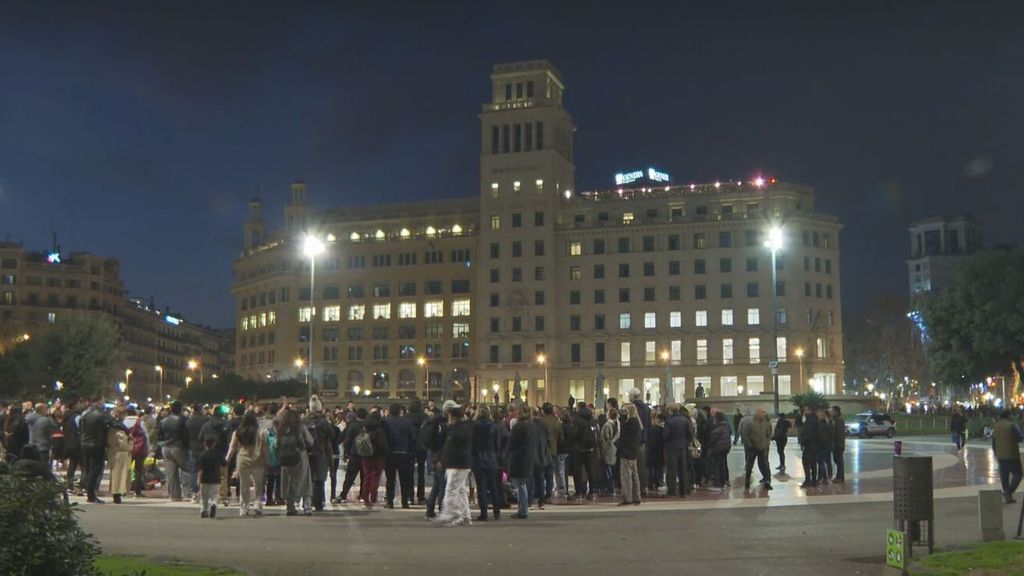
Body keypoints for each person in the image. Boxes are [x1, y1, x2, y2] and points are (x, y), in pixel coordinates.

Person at [79, 397, 124, 503]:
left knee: (88, 469)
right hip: (97, 444)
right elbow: (114, 423)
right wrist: (126, 430)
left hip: (84, 443)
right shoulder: (101, 414)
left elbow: (80, 429)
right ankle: (91, 495)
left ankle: (89, 493)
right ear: (99, 401)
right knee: (96, 470)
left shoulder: (85, 414)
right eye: (103, 401)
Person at [435, 403, 473, 526]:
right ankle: (465, 516)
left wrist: (443, 460)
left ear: (454, 417)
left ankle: (449, 513)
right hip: (460, 464)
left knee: (451, 489)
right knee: (461, 490)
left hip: (457, 465)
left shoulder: (458, 430)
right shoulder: (462, 428)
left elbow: (450, 447)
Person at [228, 411, 268, 516]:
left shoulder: (238, 432)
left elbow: (232, 447)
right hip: (258, 460)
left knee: (244, 485)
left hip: (243, 459)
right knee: (258, 484)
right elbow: (265, 448)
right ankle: (257, 503)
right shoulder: (261, 432)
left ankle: (244, 508)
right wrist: (268, 461)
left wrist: (227, 458)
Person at [277, 407, 314, 516]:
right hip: (300, 456)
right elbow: (310, 441)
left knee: (288, 481)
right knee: (304, 481)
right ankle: (307, 507)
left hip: (285, 458)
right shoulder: (300, 427)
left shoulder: (281, 428)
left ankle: (290, 507)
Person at [382, 402, 417, 509]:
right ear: (400, 411)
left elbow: (383, 438)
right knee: (404, 479)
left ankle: (390, 501)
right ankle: (405, 501)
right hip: (404, 453)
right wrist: (411, 453)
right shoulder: (407, 422)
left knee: (390, 479)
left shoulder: (386, 422)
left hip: (390, 454)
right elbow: (413, 438)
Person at [506, 405, 537, 519]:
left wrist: (507, 455)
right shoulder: (532, 426)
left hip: (518, 458)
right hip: (528, 457)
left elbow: (511, 444)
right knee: (522, 484)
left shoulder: (519, 427)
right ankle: (523, 509)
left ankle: (522, 510)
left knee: (519, 485)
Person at [304, 396, 334, 512]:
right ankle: (319, 503)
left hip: (307, 451)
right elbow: (331, 434)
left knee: (308, 477)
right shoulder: (323, 421)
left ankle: (307, 502)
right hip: (321, 450)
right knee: (320, 478)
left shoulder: (305, 420)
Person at [200, 405, 233, 506]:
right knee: (223, 476)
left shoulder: (206, 425)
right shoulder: (226, 425)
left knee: (206, 474)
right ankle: (222, 496)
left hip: (208, 452)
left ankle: (208, 496)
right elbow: (229, 440)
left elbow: (200, 437)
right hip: (222, 452)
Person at [471, 405, 500, 521]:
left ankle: (484, 512)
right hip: (491, 458)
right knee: (493, 486)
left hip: (478, 458)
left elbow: (471, 444)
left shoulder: (474, 426)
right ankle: (497, 511)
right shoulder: (494, 426)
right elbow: (498, 445)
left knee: (481, 486)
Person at [158, 400, 191, 501]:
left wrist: (162, 444)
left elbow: (159, 436)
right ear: (180, 409)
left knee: (171, 473)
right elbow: (185, 436)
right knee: (186, 470)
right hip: (178, 447)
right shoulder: (183, 419)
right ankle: (187, 493)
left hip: (166, 447)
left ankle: (174, 495)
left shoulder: (163, 420)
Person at [359, 411, 390, 510]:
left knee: (366, 478)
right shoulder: (379, 430)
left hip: (365, 457)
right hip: (377, 458)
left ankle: (365, 499)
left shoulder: (364, 429)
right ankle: (373, 498)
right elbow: (383, 445)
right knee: (375, 478)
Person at [422, 405, 449, 519]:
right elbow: (442, 444)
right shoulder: (443, 425)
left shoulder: (434, 422)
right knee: (442, 484)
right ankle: (442, 510)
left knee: (437, 484)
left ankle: (430, 509)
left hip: (433, 454)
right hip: (440, 456)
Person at [992, 409, 1023, 504]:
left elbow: (993, 442)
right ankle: (1008, 492)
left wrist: (996, 452)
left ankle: (1008, 496)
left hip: (1000, 455)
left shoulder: (996, 427)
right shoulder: (1012, 425)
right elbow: (1019, 438)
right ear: (1009, 415)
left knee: (1004, 476)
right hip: (1012, 454)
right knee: (1018, 474)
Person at [663, 404, 692, 498]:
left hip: (671, 448)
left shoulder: (669, 421)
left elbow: (665, 436)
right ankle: (684, 491)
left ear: (671, 411)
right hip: (682, 447)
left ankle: (671, 491)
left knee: (671, 470)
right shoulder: (685, 420)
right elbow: (690, 434)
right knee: (683, 470)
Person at [338, 409, 365, 504]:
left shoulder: (351, 426)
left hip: (355, 454)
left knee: (350, 476)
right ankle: (363, 495)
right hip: (365, 454)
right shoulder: (364, 425)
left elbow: (346, 441)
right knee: (364, 476)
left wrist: (346, 453)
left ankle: (343, 494)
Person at [742, 409, 773, 490]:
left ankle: (767, 481)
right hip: (752, 448)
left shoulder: (766, 423)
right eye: (761, 412)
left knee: (765, 464)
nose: (762, 414)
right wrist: (749, 445)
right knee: (749, 465)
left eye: (763, 412)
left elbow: (768, 435)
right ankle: (747, 481)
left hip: (762, 448)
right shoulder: (750, 423)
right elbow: (745, 435)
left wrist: (766, 444)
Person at [618, 403, 642, 505]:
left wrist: (622, 420)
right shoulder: (637, 422)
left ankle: (627, 497)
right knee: (634, 475)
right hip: (634, 451)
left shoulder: (630, 423)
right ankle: (636, 496)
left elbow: (623, 435)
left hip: (626, 451)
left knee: (626, 476)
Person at [106, 408, 132, 504]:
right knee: (120, 475)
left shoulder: (110, 428)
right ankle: (117, 495)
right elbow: (123, 443)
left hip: (112, 452)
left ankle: (116, 494)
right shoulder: (119, 429)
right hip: (121, 454)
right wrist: (131, 443)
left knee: (115, 474)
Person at [406, 399, 429, 504]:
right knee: (421, 472)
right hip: (422, 446)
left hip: (410, 446)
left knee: (409, 472)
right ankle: (421, 496)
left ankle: (410, 495)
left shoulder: (406, 417)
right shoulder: (425, 417)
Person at [540, 402, 563, 501]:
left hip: (542, 451)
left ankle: (541, 493)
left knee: (541, 474)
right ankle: (549, 492)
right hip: (553, 451)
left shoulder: (541, 422)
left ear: (543, 411)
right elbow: (561, 438)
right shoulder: (556, 422)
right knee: (550, 474)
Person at [197, 435, 223, 519]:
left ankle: (204, 510)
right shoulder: (218, 454)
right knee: (215, 494)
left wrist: (198, 479)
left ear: (205, 444)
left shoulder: (202, 455)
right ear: (214, 443)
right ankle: (214, 503)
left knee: (204, 496)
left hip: (204, 479)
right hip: (215, 478)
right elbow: (224, 464)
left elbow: (200, 469)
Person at [707, 411, 732, 489]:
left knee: (717, 465)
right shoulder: (726, 425)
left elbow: (714, 439)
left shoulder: (718, 427)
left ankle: (717, 482)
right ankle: (724, 480)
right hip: (726, 447)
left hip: (718, 448)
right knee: (723, 464)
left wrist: (709, 446)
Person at [798, 405, 820, 488]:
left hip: (809, 445)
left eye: (805, 410)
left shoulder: (809, 420)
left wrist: (803, 442)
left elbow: (808, 433)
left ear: (809, 410)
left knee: (806, 463)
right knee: (813, 463)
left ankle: (808, 480)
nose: (804, 412)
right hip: (814, 445)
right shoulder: (814, 419)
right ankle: (814, 481)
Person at [600, 407, 620, 497]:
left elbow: (605, 439)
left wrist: (603, 449)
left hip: (608, 449)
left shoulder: (607, 425)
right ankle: (612, 487)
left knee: (608, 470)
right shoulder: (618, 424)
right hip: (615, 449)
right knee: (612, 469)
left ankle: (609, 488)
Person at [831, 405, 846, 483]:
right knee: (837, 460)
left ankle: (840, 477)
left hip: (838, 444)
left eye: (832, 411)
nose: (831, 412)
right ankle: (839, 476)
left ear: (837, 412)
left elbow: (839, 433)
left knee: (839, 461)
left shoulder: (839, 420)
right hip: (836, 444)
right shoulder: (835, 419)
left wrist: (838, 444)